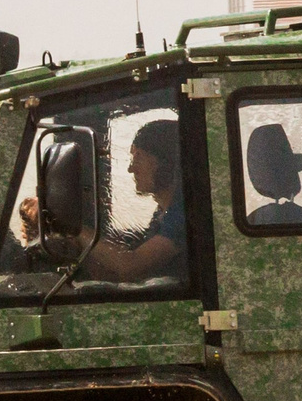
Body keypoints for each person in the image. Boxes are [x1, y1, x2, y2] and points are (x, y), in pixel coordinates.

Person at [14, 116, 185, 285]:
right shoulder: (162, 214)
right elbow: (123, 277)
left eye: (138, 157)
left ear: (165, 161)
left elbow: (131, 266)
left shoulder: (182, 214)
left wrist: (72, 226)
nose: (130, 168)